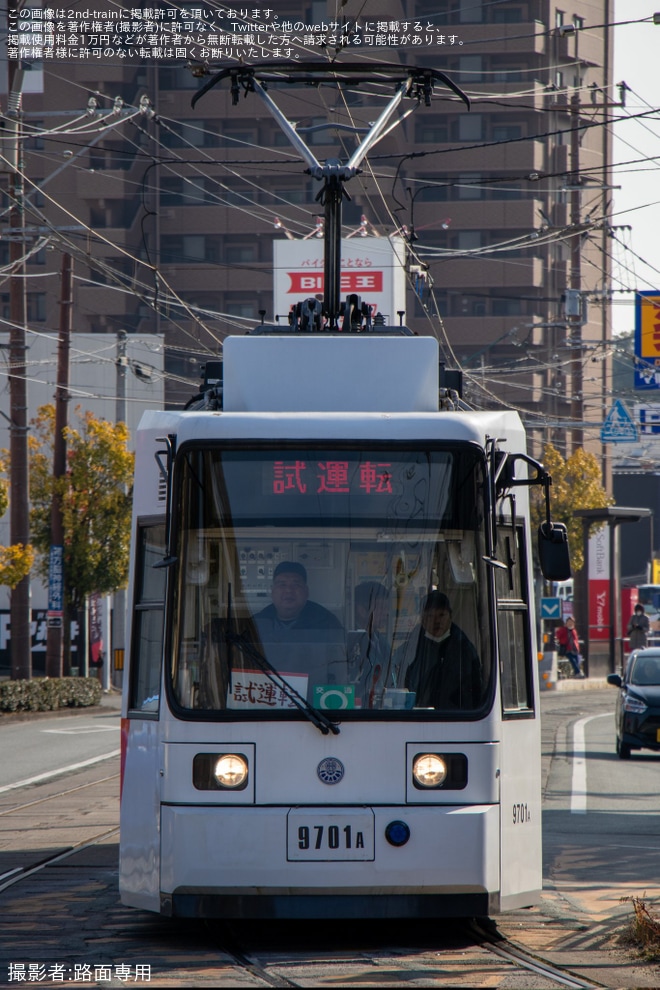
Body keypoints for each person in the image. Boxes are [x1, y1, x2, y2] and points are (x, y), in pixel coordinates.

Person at [397, 590, 482, 710]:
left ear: (450, 616)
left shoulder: (464, 649)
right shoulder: (409, 648)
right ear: (422, 619)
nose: (437, 621)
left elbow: (474, 691)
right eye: (431, 616)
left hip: (455, 719)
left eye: (441, 615)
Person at [253, 561, 342, 636]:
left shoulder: (326, 622)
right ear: (272, 591)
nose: (288, 590)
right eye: (282, 584)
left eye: (296, 584)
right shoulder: (256, 623)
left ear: (306, 591)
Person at [348, 582, 392, 705]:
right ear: (362, 610)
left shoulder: (381, 642)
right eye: (381, 608)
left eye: (387, 608)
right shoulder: (349, 642)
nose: (386, 613)